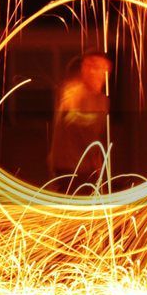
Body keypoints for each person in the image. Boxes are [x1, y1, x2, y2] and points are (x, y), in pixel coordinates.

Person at [48, 52, 111, 193]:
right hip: (68, 170)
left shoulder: (102, 101)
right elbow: (74, 121)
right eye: (93, 66)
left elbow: (94, 138)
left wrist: (99, 172)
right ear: (84, 68)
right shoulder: (72, 92)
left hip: (87, 171)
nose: (98, 73)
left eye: (103, 68)